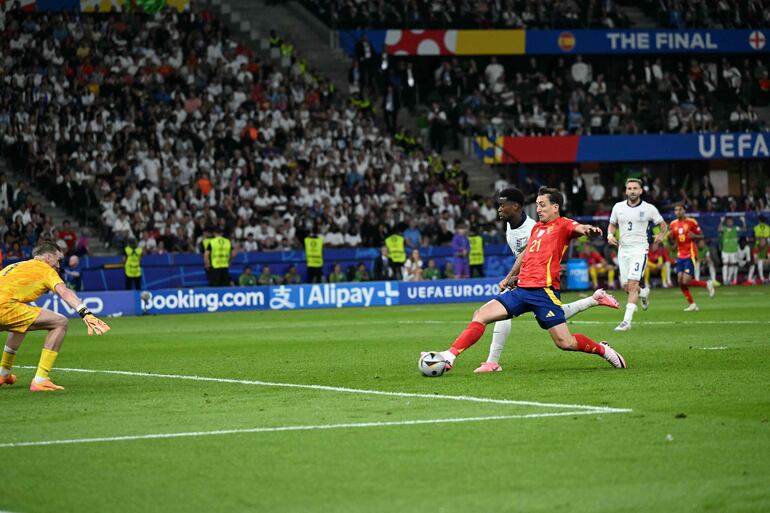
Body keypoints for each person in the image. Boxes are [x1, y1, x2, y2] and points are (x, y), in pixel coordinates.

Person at [424, 187, 626, 374]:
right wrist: (512, 277)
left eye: (542, 205)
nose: (538, 209)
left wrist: (589, 229)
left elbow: (580, 228)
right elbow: (526, 253)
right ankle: (450, 356)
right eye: (537, 204)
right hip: (522, 290)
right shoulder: (537, 228)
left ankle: (603, 350)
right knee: (481, 314)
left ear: (555, 207)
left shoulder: (563, 224)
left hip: (544, 292)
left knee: (565, 342)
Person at [0, 240, 110, 391]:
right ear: (47, 257)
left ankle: (3, 373)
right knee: (60, 322)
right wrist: (86, 314)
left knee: (22, 323)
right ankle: (40, 379)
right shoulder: (45, 269)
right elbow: (64, 292)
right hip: (5, 308)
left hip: (7, 306)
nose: (59, 265)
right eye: (58, 260)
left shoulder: (15, 266)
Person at [607, 178, 668, 331]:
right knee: (627, 287)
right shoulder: (618, 207)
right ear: (626, 191)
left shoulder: (649, 208)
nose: (632, 191)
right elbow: (612, 224)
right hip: (623, 250)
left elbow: (662, 224)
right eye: (629, 188)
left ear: (641, 191)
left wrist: (661, 235)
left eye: (635, 188)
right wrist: (610, 235)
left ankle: (626, 321)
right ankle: (644, 293)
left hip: (639, 250)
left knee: (633, 285)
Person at [669, 203, 715, 311]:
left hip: (690, 254)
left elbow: (702, 235)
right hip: (680, 255)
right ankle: (692, 304)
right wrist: (671, 242)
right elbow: (675, 238)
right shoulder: (673, 224)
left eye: (680, 209)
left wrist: (695, 236)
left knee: (685, 281)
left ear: (684, 210)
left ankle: (706, 284)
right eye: (676, 210)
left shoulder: (691, 222)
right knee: (680, 281)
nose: (678, 212)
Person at [719, 215, 745, 285]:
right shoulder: (724, 228)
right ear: (726, 222)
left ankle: (729, 279)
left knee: (733, 265)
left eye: (731, 221)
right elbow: (719, 229)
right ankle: (724, 280)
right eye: (728, 221)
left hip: (733, 250)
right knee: (725, 264)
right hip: (725, 250)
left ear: (733, 222)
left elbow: (744, 229)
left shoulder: (735, 228)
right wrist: (721, 221)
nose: (730, 223)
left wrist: (743, 221)